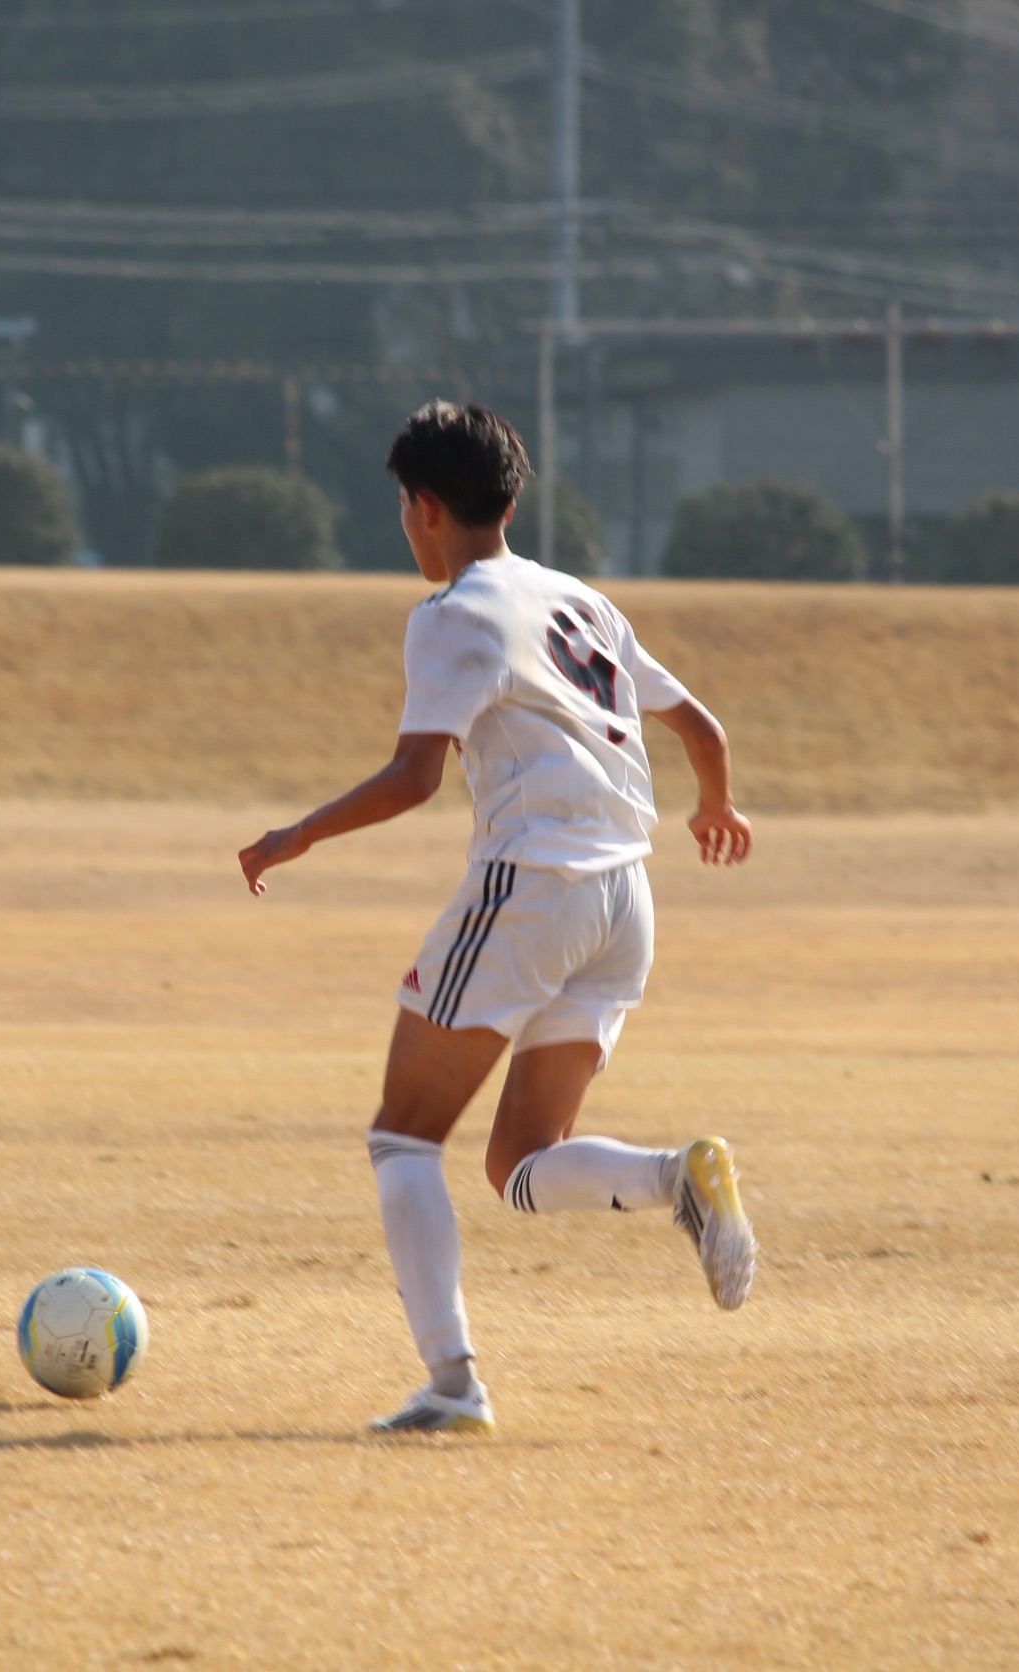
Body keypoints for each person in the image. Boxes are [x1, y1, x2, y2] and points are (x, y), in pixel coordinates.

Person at [239, 401, 757, 1436]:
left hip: (533, 889)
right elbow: (701, 727)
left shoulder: (452, 613)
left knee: (403, 1136)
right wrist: (716, 807)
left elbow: (414, 777)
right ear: (510, 503)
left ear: (425, 508)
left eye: (403, 505)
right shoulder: (582, 600)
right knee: (518, 1161)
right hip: (626, 902)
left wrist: (299, 834)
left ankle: (452, 1386)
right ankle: (679, 1177)